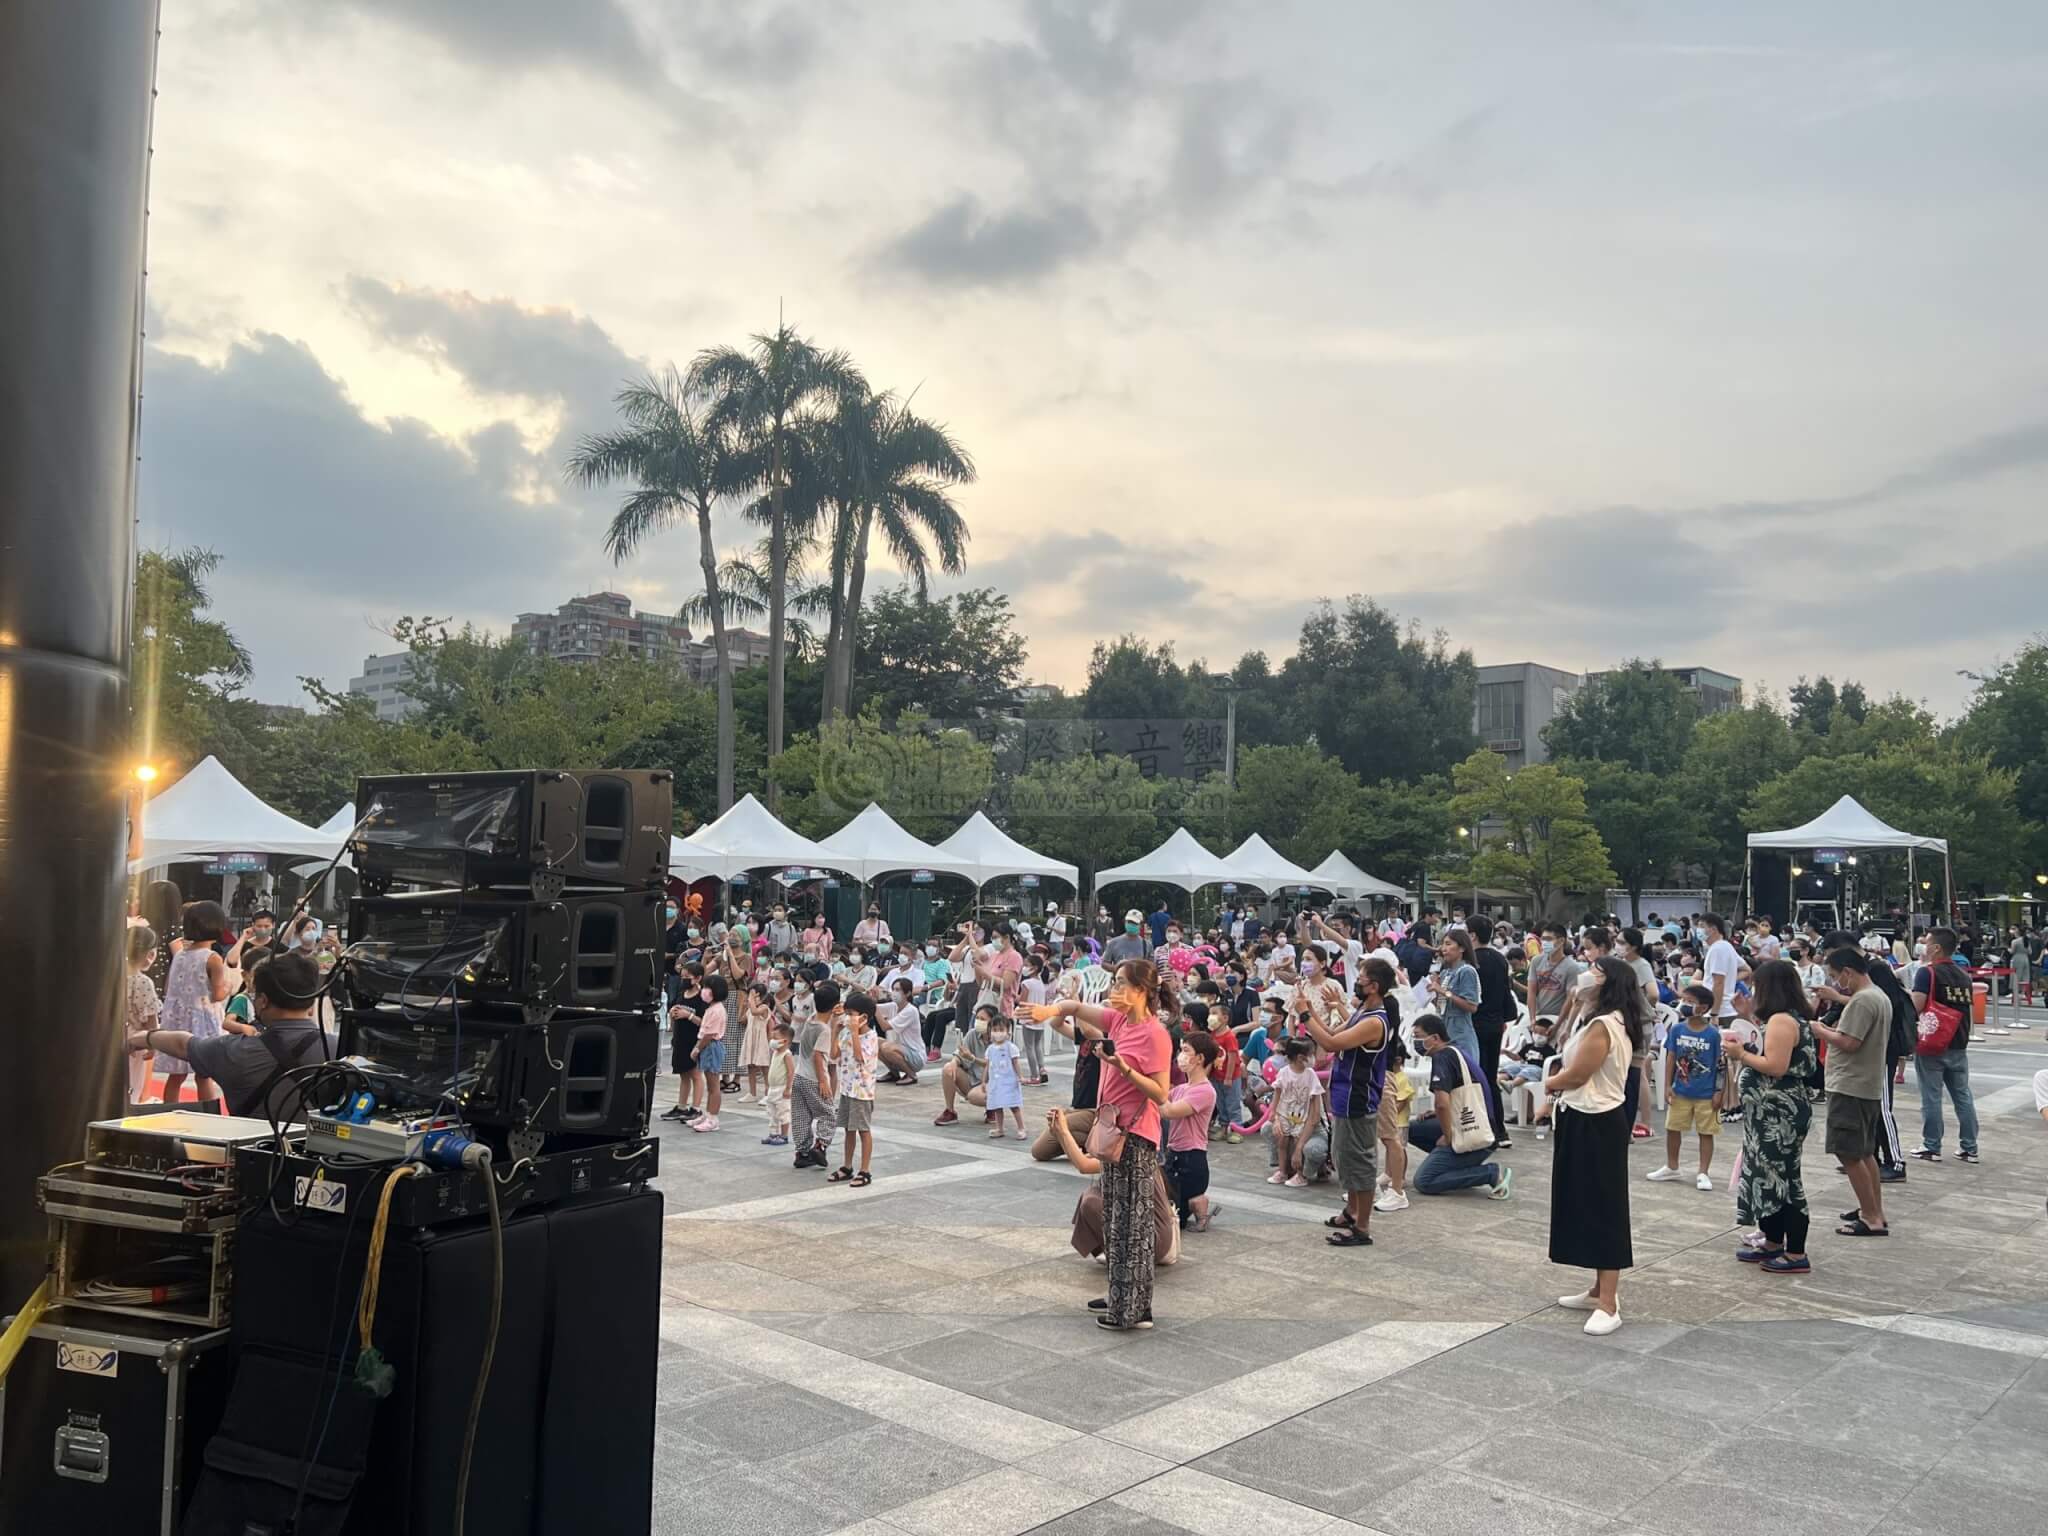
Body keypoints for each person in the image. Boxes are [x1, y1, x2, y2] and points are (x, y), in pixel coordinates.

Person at [1028, 960, 1173, 1331]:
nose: (1115, 989)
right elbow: (1074, 1009)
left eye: (1123, 983)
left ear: (1142, 990)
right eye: (1114, 982)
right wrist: (1050, 1009)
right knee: (1115, 1217)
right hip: (1111, 1130)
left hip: (1136, 1136)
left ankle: (1133, 1310)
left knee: (1132, 1223)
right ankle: (1122, 1295)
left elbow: (1160, 1092)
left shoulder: (1155, 1034)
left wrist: (1122, 1066)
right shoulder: (1120, 1021)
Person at [1546, 956, 1642, 1334]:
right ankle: (1597, 1288)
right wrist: (1575, 1000)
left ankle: (1609, 1301)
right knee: (1581, 1202)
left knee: (1604, 1207)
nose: (1588, 974)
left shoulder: (1606, 1024)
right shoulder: (1594, 1017)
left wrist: (1549, 1084)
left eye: (1596, 971)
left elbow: (1579, 1073)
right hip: (1581, 1115)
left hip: (1597, 1120)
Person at [127, 950, 333, 1123]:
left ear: (262, 1001)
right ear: (312, 1001)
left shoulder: (235, 1051)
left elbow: (183, 1044)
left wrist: (143, 1038)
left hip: (254, 1157)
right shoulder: (340, 1048)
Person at [1729, 958, 1819, 1274]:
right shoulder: (1784, 1019)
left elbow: (1776, 1066)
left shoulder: (1783, 1020)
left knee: (1782, 1178)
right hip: (1766, 1114)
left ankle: (1795, 1251)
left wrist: (1742, 1055)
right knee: (1764, 1177)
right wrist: (1747, 1015)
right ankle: (1772, 1240)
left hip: (1778, 1114)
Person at [1303, 958, 1395, 1247]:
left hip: (1359, 1096)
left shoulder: (1374, 1021)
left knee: (1359, 1160)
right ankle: (1352, 1210)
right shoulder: (1361, 1011)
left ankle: (1362, 1227)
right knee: (1344, 1155)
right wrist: (1310, 1011)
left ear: (1375, 986)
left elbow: (1331, 1045)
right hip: (1344, 1093)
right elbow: (1331, 1034)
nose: (1357, 982)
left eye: (1362, 978)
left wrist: (1305, 1016)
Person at [1812, 948, 1891, 1236]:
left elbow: (1849, 1042)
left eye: (1835, 976)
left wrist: (1820, 1030)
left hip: (1850, 1084)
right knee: (1865, 1151)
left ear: (1848, 971)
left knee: (1848, 1153)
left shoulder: (1862, 1001)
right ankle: (1875, 1211)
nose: (1836, 983)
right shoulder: (1879, 996)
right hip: (1866, 1084)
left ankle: (1870, 1216)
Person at [1047, 1107, 1178, 1269]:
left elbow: (1084, 1165)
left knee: (1091, 1201)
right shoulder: (1119, 1142)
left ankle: (1119, 1251)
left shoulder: (1131, 1149)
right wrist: (1060, 1132)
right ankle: (1113, 1248)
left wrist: (1064, 1132)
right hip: (1146, 1236)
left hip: (1152, 1241)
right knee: (1090, 1195)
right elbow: (1085, 1159)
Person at [1408, 1014, 1512, 1201]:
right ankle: (1453, 1163)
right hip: (1479, 1121)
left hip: (1477, 1132)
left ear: (1435, 1038)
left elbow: (1442, 1104)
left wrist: (1447, 1137)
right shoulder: (1457, 1051)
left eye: (1419, 1036)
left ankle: (1490, 1173)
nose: (1416, 1042)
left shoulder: (1443, 1058)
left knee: (1424, 1181)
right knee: (1412, 1129)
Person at [1908, 927, 1979, 1164]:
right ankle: (1969, 1148)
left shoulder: (1927, 973)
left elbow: (1916, 1006)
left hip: (1932, 1043)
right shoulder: (1963, 975)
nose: (1923, 947)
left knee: (1932, 1096)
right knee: (1963, 1096)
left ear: (1936, 948)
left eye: (1926, 943)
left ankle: (1931, 1146)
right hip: (1958, 1042)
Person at [157, 901, 235, 1105]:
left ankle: (168, 1111)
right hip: (203, 1020)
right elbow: (218, 994)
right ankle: (208, 1113)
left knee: (176, 1075)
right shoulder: (213, 958)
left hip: (176, 1020)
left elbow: (168, 988)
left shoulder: (180, 954)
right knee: (204, 1073)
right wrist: (228, 986)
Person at [1648, 984, 1721, 1189]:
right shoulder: (1678, 1029)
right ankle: (1672, 1166)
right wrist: (1667, 1085)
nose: (1685, 1005)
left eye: (1691, 1002)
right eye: (1684, 1000)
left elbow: (1720, 1064)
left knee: (1706, 1132)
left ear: (1704, 1008)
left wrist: (1719, 1090)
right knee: (1673, 1127)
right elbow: (1671, 1057)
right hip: (1681, 1089)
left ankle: (1703, 1172)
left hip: (1706, 1093)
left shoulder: (1713, 1034)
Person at [1160, 1031, 1219, 1231]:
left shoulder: (1204, 1091)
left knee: (1176, 1219)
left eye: (1186, 1051)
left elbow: (1169, 1111)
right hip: (1173, 1153)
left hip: (1191, 1157)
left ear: (1200, 1058)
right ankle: (1196, 1205)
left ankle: (1200, 1207)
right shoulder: (1180, 1089)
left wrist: (1153, 1094)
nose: (1181, 1056)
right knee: (1168, 1213)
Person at [1864, 958, 1917, 1183]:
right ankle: (1872, 1158)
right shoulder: (1894, 995)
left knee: (1883, 1109)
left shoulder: (1885, 1000)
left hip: (1885, 1056)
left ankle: (1895, 1161)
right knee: (1876, 1108)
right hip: (1883, 1054)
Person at [1467, 916, 1514, 1141]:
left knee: (1475, 1077)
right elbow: (1506, 990)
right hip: (1496, 1024)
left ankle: (1481, 1128)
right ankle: (1499, 1129)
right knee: (1490, 1075)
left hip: (1474, 1024)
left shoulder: (1469, 961)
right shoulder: (1500, 959)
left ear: (1473, 935)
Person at [827, 993, 880, 1185]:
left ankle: (865, 1170)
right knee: (849, 1129)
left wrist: (855, 1032)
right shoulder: (847, 1033)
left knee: (863, 1130)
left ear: (864, 1017)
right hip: (847, 1089)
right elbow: (834, 1054)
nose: (848, 1017)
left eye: (851, 1013)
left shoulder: (871, 1036)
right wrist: (835, 1031)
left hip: (862, 1091)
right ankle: (847, 1165)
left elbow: (860, 1057)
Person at [1700, 913, 1745, 1122]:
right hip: (1725, 1007)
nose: (1700, 930)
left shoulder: (1718, 949)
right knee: (1727, 1060)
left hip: (1719, 1010)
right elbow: (1746, 969)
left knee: (1724, 1060)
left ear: (1713, 928)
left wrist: (1715, 1011)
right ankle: (1730, 1102)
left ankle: (1730, 1104)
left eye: (1702, 926)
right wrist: (1732, 986)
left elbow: (1718, 982)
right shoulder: (1727, 947)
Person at [792, 980, 840, 1168]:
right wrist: (823, 1081)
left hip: (798, 1076)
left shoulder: (811, 1020)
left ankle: (802, 1152)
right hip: (813, 1078)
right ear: (835, 1006)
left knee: (801, 1116)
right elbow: (819, 1056)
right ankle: (820, 1145)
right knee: (829, 1114)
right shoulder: (824, 1031)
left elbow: (825, 1015)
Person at [1266, 1040, 1323, 1188]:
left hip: (1302, 1116)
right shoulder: (1284, 1072)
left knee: (1299, 1141)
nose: (1313, 1057)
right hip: (1285, 1113)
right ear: (1300, 1057)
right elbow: (1277, 1094)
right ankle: (1282, 1171)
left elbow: (1314, 1105)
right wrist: (1274, 1114)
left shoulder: (1310, 1075)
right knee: (1282, 1141)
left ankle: (1300, 1174)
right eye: (1311, 1054)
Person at [935, 1004, 996, 1126]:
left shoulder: (999, 1038)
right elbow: (960, 1053)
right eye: (977, 1018)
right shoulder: (972, 1034)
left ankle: (993, 1108)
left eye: (983, 1019)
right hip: (972, 1079)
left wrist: (972, 1058)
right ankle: (950, 1111)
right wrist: (954, 1062)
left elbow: (993, 1064)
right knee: (948, 1068)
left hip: (992, 1083)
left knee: (975, 1097)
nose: (979, 1022)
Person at [124, 925, 162, 1104]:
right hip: (136, 1040)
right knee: (132, 1084)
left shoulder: (113, 976)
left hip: (110, 1038)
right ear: (151, 955)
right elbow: (151, 1018)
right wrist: (153, 1043)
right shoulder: (143, 982)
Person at [689, 976, 729, 1132]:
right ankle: (708, 1114)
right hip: (708, 1046)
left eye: (707, 988)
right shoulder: (712, 1008)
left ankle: (713, 1118)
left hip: (711, 1047)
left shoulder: (717, 1010)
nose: (704, 991)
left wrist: (697, 1049)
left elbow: (709, 1034)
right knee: (711, 1085)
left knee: (714, 1086)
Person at [1526, 921, 1582, 1028]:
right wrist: (1532, 1019)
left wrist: (1557, 1025)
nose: (1544, 942)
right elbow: (1531, 992)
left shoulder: (1572, 968)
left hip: (1557, 1019)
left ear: (1561, 941)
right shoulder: (1536, 961)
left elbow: (1569, 1000)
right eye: (1543, 939)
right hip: (1538, 1018)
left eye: (1549, 939)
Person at [876, 976, 925, 1084]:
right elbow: (874, 1007)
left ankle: (911, 1075)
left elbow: (885, 1026)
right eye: (893, 989)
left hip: (915, 1055)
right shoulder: (893, 1006)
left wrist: (874, 1008)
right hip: (900, 1049)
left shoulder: (910, 1010)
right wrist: (870, 999)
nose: (894, 992)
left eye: (898, 990)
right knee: (875, 1042)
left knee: (886, 1048)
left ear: (907, 993)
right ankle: (894, 1074)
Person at [984, 1017, 1026, 1139]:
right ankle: (1000, 1128)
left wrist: (1020, 1076)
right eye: (995, 1029)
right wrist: (984, 1081)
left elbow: (1015, 1063)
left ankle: (1021, 1128)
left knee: (1014, 1106)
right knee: (997, 1106)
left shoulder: (1010, 1047)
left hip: (1009, 1082)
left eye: (1001, 1029)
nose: (998, 1033)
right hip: (995, 1083)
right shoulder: (990, 1049)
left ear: (1008, 1031)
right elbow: (988, 1066)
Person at [763, 1021, 795, 1147]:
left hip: (782, 1089)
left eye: (775, 1038)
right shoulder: (776, 1053)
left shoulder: (786, 1055)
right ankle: (773, 1133)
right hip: (773, 1088)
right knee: (771, 1112)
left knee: (783, 1112)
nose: (772, 1040)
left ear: (785, 1041)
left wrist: (788, 1088)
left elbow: (791, 1072)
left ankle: (784, 1135)